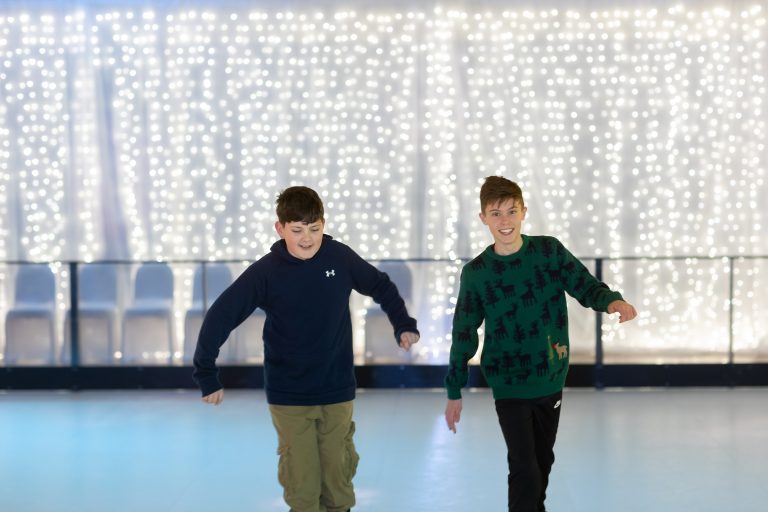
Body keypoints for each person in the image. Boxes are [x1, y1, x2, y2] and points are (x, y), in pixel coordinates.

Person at [193, 186, 420, 512]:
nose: (307, 238)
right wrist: (206, 373)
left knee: (337, 484)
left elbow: (379, 284)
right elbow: (222, 314)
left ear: (323, 224)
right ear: (280, 228)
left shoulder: (339, 257)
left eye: (314, 229)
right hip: (290, 394)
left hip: (336, 389)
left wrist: (403, 323)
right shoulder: (267, 272)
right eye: (297, 230)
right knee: (304, 488)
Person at [444, 176, 637, 512]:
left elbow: (583, 285)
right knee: (524, 468)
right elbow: (464, 331)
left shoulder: (548, 251)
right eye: (495, 213)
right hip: (508, 382)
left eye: (511, 211)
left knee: (542, 462)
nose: (505, 221)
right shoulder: (477, 273)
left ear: (523, 212)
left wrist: (612, 302)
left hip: (549, 376)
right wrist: (454, 388)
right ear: (483, 218)